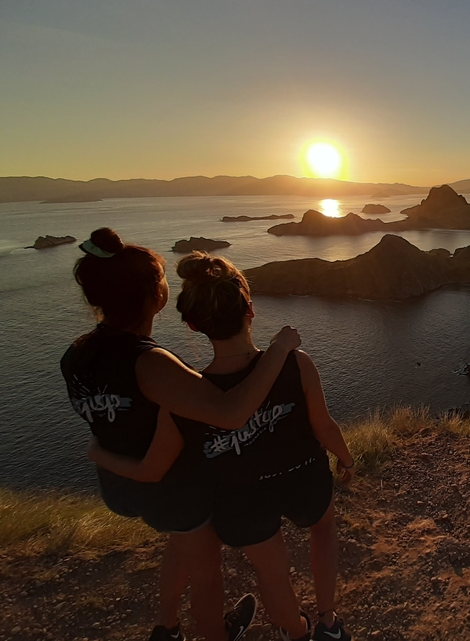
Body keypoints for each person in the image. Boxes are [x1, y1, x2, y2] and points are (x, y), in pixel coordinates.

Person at [92, 251, 355, 641]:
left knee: (273, 575)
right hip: (303, 477)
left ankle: (296, 631)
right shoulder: (295, 363)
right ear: (250, 309)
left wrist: (99, 454)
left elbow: (155, 467)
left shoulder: (187, 400)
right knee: (323, 528)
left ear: (194, 325)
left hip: (242, 501)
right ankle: (328, 623)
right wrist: (346, 459)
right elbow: (324, 426)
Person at [63, 228, 302, 641]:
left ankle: (168, 625)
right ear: (154, 295)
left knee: (180, 546)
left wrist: (103, 456)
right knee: (207, 574)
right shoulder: (151, 364)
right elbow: (230, 412)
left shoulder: (77, 353)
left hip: (118, 487)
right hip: (169, 490)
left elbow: (113, 418)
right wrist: (279, 351)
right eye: (161, 277)